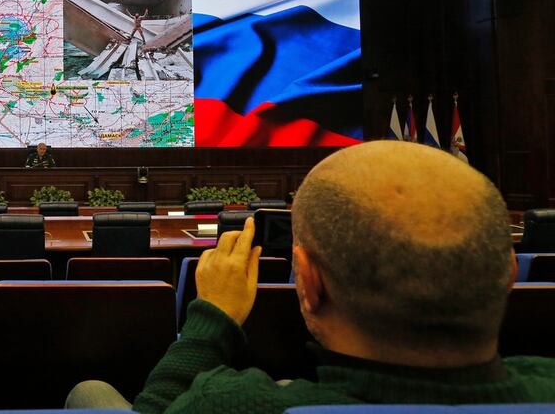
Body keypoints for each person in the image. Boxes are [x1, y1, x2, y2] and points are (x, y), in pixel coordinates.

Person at [67, 141, 555, 412]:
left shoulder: (235, 404)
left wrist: (211, 320)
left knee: (90, 393)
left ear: (309, 283)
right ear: (508, 274)